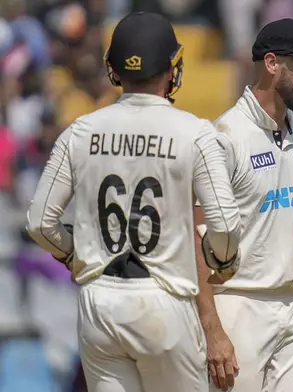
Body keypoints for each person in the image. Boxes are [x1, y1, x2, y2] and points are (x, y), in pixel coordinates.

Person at [25, 12, 241, 392]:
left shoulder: (81, 131)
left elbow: (40, 221)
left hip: (99, 301)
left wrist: (74, 255)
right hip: (165, 299)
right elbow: (224, 226)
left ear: (114, 69)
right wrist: (222, 261)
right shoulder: (195, 132)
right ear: (172, 67)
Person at [192, 18, 293, 392]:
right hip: (238, 305)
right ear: (272, 63)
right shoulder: (223, 137)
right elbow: (196, 239)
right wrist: (213, 330)